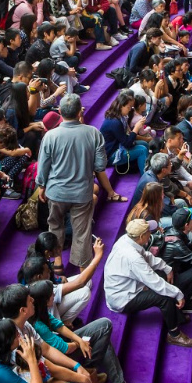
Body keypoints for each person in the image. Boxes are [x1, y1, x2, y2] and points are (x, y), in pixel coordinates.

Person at [40, 94, 108, 270]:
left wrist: (41, 185)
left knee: (55, 226)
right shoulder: (93, 133)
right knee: (82, 231)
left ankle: (57, 264)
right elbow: (101, 165)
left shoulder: (50, 136)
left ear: (60, 111)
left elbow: (43, 166)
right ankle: (82, 270)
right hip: (82, 192)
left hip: (56, 191)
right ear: (80, 112)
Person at [104, 219, 192, 348]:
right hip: (123, 298)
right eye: (148, 232)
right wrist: (178, 294)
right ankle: (174, 335)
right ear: (141, 236)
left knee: (164, 280)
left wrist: (166, 268)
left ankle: (177, 316)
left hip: (129, 285)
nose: (151, 233)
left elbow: (146, 256)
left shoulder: (126, 239)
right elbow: (155, 283)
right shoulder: (132, 258)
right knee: (164, 297)